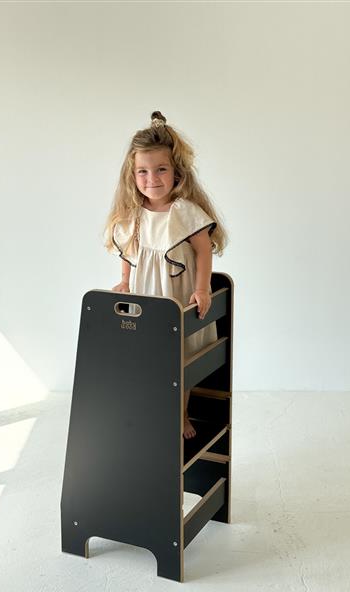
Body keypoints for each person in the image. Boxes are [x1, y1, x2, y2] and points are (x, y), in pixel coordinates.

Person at [104, 111, 228, 439]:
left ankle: (181, 415)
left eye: (161, 169)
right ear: (132, 174)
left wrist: (202, 289)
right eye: (143, 171)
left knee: (180, 360)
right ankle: (150, 413)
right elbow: (130, 251)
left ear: (176, 172)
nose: (152, 179)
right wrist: (125, 281)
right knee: (148, 359)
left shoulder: (183, 211)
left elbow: (203, 250)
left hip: (177, 295)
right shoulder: (134, 215)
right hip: (147, 295)